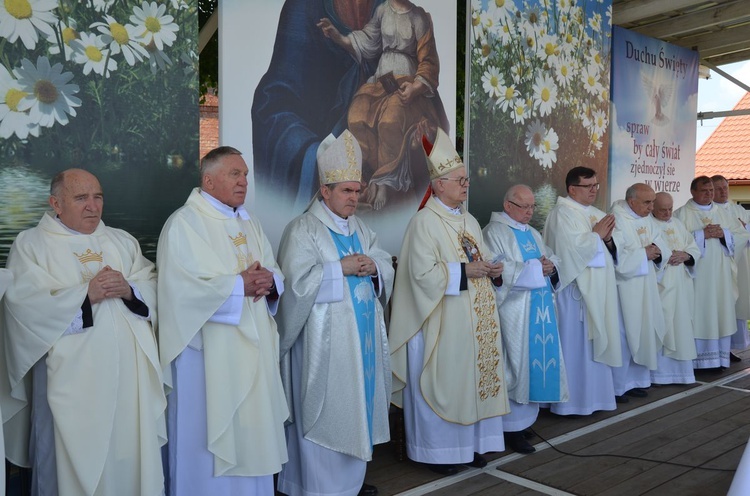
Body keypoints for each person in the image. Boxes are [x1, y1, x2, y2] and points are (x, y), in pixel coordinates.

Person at [2, 168, 166, 495]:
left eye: (98, 197)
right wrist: (84, 295)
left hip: (128, 380)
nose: (93, 206)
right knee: (70, 466)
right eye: (81, 198)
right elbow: (22, 306)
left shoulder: (121, 240)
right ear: (55, 203)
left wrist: (130, 289)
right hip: (71, 381)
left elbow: (153, 283)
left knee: (127, 456)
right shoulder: (32, 245)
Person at [157, 147, 289, 495]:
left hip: (254, 347)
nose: (244, 181)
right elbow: (179, 291)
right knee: (207, 439)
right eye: (235, 174)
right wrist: (238, 285)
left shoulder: (249, 221)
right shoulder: (184, 224)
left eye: (246, 174)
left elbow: (273, 269)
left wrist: (270, 282)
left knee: (252, 434)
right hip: (207, 357)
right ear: (209, 179)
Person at [276, 130, 394, 496]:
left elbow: (383, 261)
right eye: (346, 191)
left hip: (362, 342)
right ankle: (320, 487)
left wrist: (374, 268)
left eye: (357, 191)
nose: (354, 198)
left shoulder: (359, 227)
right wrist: (337, 268)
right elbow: (294, 287)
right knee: (327, 412)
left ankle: (350, 483)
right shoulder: (303, 230)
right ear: (325, 191)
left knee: (357, 406)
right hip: (323, 347)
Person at [389, 128, 508, 475]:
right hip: (441, 320)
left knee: (470, 381)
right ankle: (437, 453)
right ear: (439, 184)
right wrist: (465, 271)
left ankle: (469, 446)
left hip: (474, 318)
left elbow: (478, 259)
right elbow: (420, 276)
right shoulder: (424, 223)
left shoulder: (469, 220)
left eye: (466, 179)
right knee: (446, 381)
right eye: (459, 180)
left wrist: (492, 269)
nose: (465, 184)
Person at [252, 0, 385, 208]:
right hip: (324, 173)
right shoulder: (305, 7)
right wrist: (319, 157)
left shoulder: (395, 8)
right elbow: (273, 104)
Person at [318, 0, 448, 210]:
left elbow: (429, 60)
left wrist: (415, 88)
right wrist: (338, 37)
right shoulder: (382, 11)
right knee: (357, 115)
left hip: (407, 84)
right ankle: (371, 180)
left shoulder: (419, 17)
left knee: (390, 121)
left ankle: (385, 182)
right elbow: (367, 41)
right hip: (381, 81)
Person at [482, 184, 568, 454]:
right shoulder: (493, 232)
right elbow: (496, 269)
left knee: (533, 364)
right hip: (514, 312)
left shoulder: (531, 232)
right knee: (515, 364)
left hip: (540, 308)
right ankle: (510, 429)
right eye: (524, 206)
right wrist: (534, 267)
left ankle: (526, 422)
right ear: (508, 206)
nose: (530, 211)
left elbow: (550, 256)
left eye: (532, 207)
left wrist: (550, 265)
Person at [542, 166, 621, 415]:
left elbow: (608, 250)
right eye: (588, 186)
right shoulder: (561, 214)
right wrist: (596, 236)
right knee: (575, 347)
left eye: (596, 185)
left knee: (596, 343)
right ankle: (571, 403)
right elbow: (568, 251)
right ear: (572, 189)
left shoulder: (596, 213)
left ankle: (596, 397)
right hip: (575, 292)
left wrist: (607, 240)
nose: (594, 191)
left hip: (598, 290)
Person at [674, 176, 748, 370]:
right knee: (700, 312)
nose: (709, 195)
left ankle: (720, 359)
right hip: (697, 276)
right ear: (693, 192)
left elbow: (741, 236)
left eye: (711, 191)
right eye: (704, 191)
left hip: (721, 274)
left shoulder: (724, 213)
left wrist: (724, 234)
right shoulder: (682, 214)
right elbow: (674, 240)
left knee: (720, 311)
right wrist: (701, 235)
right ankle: (699, 361)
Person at [609, 183, 670, 398]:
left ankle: (638, 380)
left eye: (653, 202)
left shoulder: (645, 219)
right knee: (625, 334)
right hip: (625, 288)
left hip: (646, 284)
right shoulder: (616, 220)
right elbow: (615, 257)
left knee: (645, 329)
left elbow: (663, 244)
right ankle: (618, 386)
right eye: (647, 202)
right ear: (631, 201)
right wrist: (643, 254)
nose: (652, 207)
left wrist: (656, 252)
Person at [650, 192, 699, 384]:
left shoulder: (678, 224)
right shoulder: (648, 225)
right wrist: (666, 256)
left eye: (670, 208)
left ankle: (681, 373)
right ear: (653, 207)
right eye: (663, 209)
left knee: (681, 325)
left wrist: (686, 256)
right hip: (661, 284)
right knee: (663, 324)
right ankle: (659, 375)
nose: (668, 213)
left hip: (681, 284)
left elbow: (693, 247)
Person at [711, 175, 750, 361]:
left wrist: (745, 229)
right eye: (717, 188)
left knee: (738, 303)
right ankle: (720, 349)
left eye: (725, 187)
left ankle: (732, 347)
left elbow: (746, 233)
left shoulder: (738, 209)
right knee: (721, 306)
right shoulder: (709, 211)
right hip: (719, 267)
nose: (723, 191)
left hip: (740, 264)